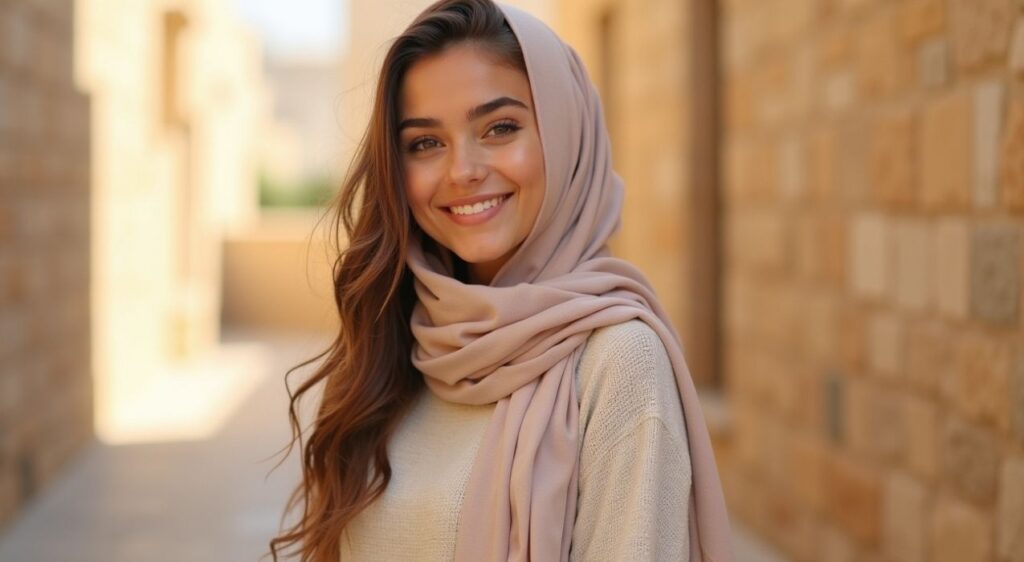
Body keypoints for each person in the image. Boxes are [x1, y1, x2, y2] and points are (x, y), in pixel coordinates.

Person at [269, 1, 734, 560]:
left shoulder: (618, 365)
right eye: (425, 143)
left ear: (566, 138)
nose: (462, 170)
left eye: (500, 128)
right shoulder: (398, 344)